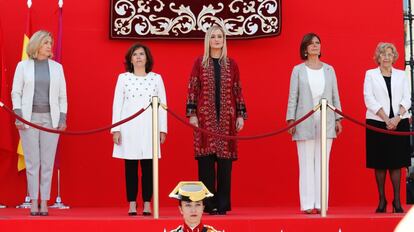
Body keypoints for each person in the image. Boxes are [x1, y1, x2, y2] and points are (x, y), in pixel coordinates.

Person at [186, 24, 247, 215]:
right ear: (208, 40)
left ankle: (222, 205)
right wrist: (192, 113)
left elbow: (237, 90)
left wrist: (240, 115)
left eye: (220, 36)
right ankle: (208, 204)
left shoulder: (231, 64)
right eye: (213, 37)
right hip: (205, 119)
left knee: (224, 166)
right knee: (205, 165)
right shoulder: (200, 63)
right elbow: (193, 88)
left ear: (224, 40)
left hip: (227, 120)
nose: (217, 40)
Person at [11, 30, 68, 216]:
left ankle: (45, 201)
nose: (49, 46)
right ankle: (33, 201)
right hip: (28, 119)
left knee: (47, 162)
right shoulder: (23, 66)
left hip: (51, 120)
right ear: (36, 45)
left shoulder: (57, 67)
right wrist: (18, 114)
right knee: (32, 162)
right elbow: (16, 92)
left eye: (50, 42)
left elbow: (62, 97)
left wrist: (62, 118)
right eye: (46, 43)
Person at [286, 32, 342, 214]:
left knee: (323, 162)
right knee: (306, 162)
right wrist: (291, 119)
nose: (315, 46)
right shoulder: (298, 70)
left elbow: (335, 95)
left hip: (327, 119)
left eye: (317, 43)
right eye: (310, 44)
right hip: (304, 120)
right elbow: (293, 96)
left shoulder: (329, 70)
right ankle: (308, 204)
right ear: (305, 48)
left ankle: (321, 203)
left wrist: (338, 118)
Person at [111, 43, 167, 216]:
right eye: (135, 54)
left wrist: (162, 129)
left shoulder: (156, 78)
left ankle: (148, 203)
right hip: (129, 129)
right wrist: (116, 129)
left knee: (149, 167)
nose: (138, 57)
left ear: (147, 58)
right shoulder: (123, 78)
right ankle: (132, 203)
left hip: (150, 127)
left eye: (141, 54)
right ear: (130, 59)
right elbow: (117, 104)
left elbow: (162, 105)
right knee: (130, 167)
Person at [363, 42, 411, 213]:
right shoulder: (370, 74)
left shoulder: (401, 75)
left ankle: (397, 201)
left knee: (397, 163)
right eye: (383, 54)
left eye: (390, 54)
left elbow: (407, 98)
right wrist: (386, 119)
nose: (386, 57)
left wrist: (396, 118)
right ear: (378, 57)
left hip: (400, 122)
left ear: (394, 57)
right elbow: (369, 99)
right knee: (380, 162)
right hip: (377, 122)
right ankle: (382, 199)